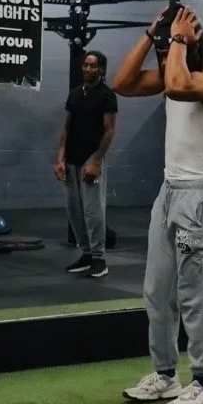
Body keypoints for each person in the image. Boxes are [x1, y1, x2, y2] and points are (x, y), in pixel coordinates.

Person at [111, 4, 203, 404]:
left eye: (170, 46)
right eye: (163, 48)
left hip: (199, 195)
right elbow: (122, 83)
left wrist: (181, 39)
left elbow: (181, 87)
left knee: (195, 296)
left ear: (193, 39)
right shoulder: (172, 69)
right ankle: (166, 375)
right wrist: (150, 36)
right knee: (157, 292)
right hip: (168, 193)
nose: (164, 57)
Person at [55, 50, 118, 278]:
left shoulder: (107, 95)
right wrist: (60, 158)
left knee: (93, 211)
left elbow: (110, 130)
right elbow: (66, 128)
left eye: (93, 66)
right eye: (86, 65)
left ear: (101, 69)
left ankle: (100, 259)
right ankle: (87, 253)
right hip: (71, 159)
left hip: (91, 159)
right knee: (75, 212)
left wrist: (97, 160)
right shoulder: (74, 94)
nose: (88, 69)